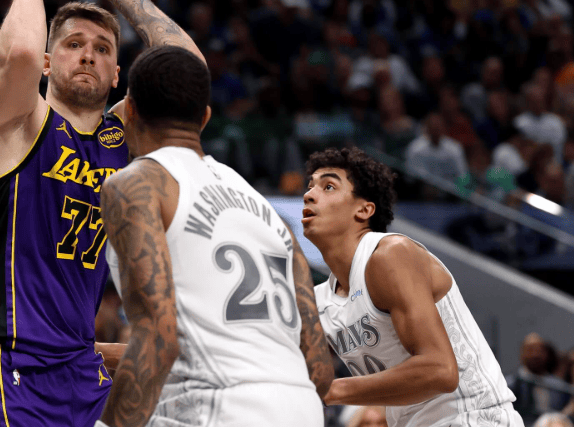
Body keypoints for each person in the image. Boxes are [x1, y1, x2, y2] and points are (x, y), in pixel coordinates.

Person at [0, 0, 205, 427]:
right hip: (2, 358)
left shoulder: (121, 139)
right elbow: (19, 52)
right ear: (48, 63)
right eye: (73, 44)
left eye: (102, 49)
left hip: (79, 363)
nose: (88, 56)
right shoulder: (20, 122)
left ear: (117, 75)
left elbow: (189, 72)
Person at [96, 46, 334, 427]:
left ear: (130, 112)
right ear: (205, 118)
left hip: (218, 407)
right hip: (303, 409)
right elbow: (320, 369)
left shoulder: (138, 183)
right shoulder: (270, 214)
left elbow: (158, 336)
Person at [302, 147, 524, 427]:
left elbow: (440, 371)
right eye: (310, 186)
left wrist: (332, 390)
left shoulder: (390, 254)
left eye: (328, 186)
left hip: (473, 419)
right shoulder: (321, 299)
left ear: (364, 209)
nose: (309, 195)